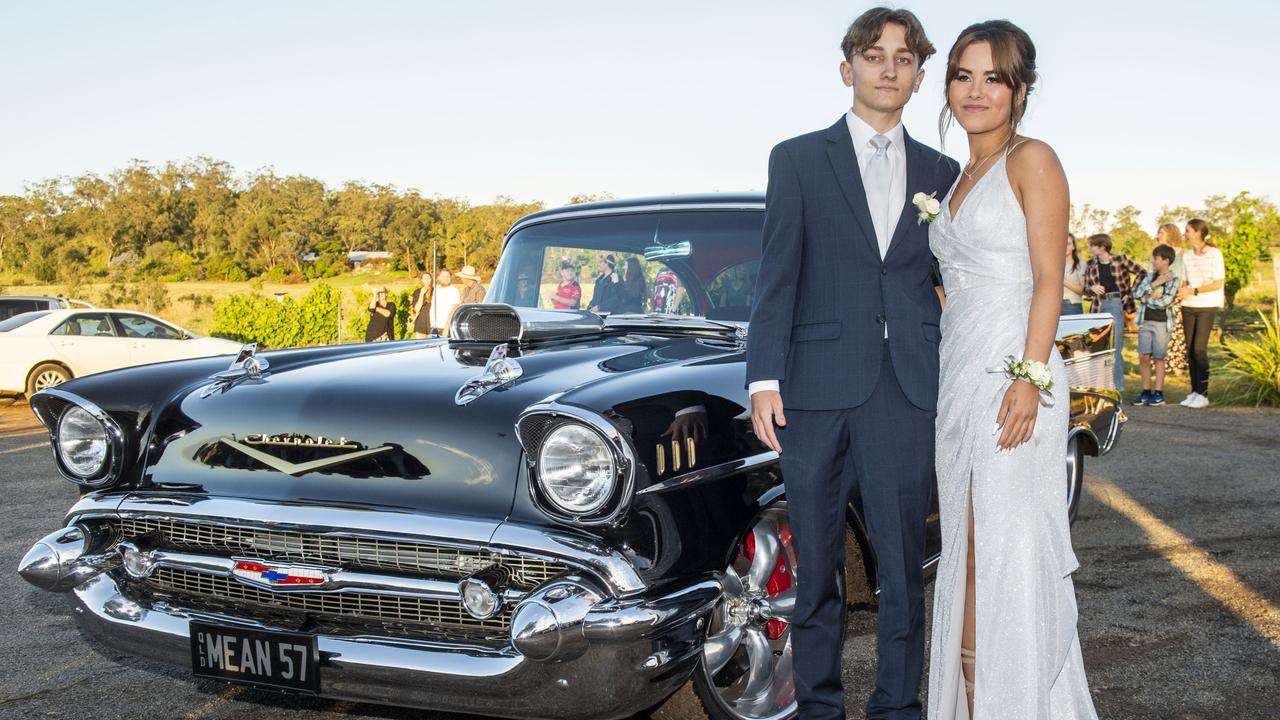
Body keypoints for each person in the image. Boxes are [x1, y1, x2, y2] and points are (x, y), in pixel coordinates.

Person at [746, 9, 959, 719]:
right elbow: (777, 274)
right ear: (849, 69)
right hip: (813, 392)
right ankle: (818, 707)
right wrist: (764, 377)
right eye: (875, 56)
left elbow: (945, 275)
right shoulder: (797, 159)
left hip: (905, 391)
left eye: (904, 59)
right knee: (818, 576)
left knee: (901, 569)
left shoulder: (943, 170)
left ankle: (899, 708)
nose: (889, 68)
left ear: (921, 77)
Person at [928, 20, 1097, 719]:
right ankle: (975, 703)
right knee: (964, 547)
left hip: (1012, 376)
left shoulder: (1034, 161)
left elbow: (1049, 281)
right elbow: (957, 278)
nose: (975, 91)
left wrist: (1031, 376)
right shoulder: (955, 176)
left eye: (992, 77)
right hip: (956, 370)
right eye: (963, 75)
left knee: (1003, 547)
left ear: (1019, 89)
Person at [1083, 233, 1144, 392]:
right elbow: (1085, 289)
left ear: (1102, 246)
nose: (1089, 248)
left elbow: (1141, 272)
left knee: (1115, 347)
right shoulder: (1090, 264)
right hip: (1097, 306)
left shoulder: (1120, 260)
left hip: (1115, 303)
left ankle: (1118, 388)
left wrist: (1130, 293)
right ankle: (1100, 387)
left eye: (1092, 245)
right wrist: (1092, 289)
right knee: (1098, 348)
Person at [1175, 218, 1225, 408]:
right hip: (1188, 305)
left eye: (1187, 231)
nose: (1185, 234)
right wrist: (1181, 291)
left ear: (1197, 232)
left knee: (1199, 349)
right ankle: (1194, 392)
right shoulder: (1186, 255)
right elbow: (1184, 280)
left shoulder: (1215, 254)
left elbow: (1217, 283)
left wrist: (1193, 290)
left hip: (1207, 305)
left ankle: (1204, 394)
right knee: (1190, 350)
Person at [1132, 244, 1181, 406]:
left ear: (1166, 261)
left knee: (1159, 357)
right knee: (1144, 356)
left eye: (1156, 258)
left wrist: (1147, 299)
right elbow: (1137, 293)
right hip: (1145, 321)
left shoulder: (1174, 280)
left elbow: (1166, 302)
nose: (1153, 261)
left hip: (1161, 323)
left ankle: (1159, 393)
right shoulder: (1151, 277)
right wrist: (1155, 283)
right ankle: (1145, 391)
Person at [1156, 223, 1188, 376]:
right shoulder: (1157, 255)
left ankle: (1178, 367)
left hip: (1178, 298)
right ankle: (1163, 365)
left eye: (1161, 232)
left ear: (1170, 234)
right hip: (1160, 298)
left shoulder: (1183, 254)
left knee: (1177, 333)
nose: (1158, 236)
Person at [428, 268, 461, 337]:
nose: (446, 278)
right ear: (439, 278)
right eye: (444, 276)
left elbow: (454, 309)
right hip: (435, 327)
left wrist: (446, 328)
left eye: (448, 276)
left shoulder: (453, 290)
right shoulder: (436, 289)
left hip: (445, 328)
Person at [1062, 232, 1085, 314]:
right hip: (1053, 306)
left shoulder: (1081, 265)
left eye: (1068, 244)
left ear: (1073, 247)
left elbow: (1083, 290)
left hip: (1072, 306)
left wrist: (1063, 281)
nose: (1065, 246)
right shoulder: (1054, 266)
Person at [408, 271, 433, 339]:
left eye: (428, 278)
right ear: (421, 280)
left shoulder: (435, 291)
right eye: (425, 279)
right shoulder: (417, 292)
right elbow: (417, 309)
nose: (427, 280)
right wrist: (421, 294)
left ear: (431, 279)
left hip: (432, 322)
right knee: (421, 345)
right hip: (421, 323)